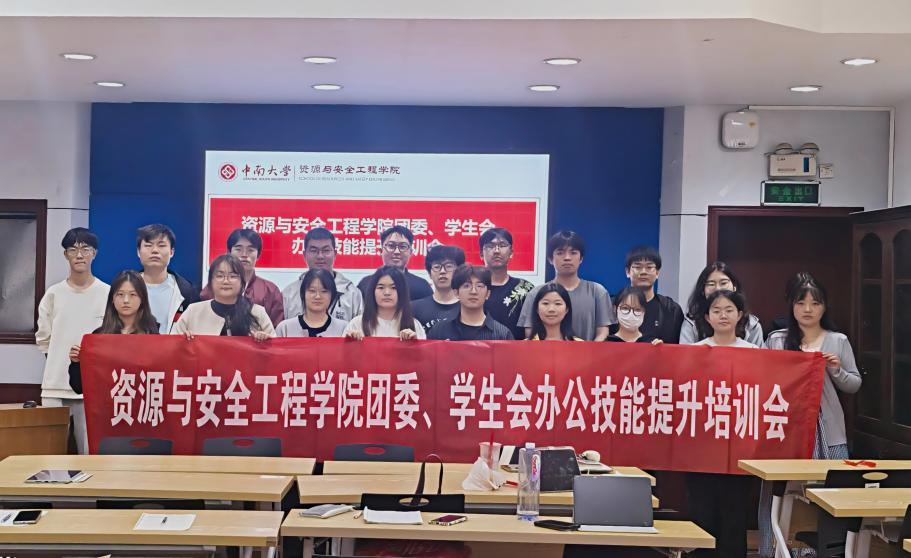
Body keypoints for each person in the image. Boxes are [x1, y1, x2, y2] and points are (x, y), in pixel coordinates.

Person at [757, 272, 861, 557]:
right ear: (791, 306)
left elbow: (854, 384)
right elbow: (760, 377)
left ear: (824, 307)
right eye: (801, 303)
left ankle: (830, 550)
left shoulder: (837, 340)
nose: (807, 309)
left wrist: (836, 370)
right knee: (775, 494)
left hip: (828, 431)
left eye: (815, 303)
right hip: (784, 429)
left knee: (833, 494)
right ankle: (771, 550)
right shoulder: (776, 340)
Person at [35, 228, 110, 454]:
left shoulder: (107, 293)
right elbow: (44, 339)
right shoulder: (53, 294)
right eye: (73, 249)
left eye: (85, 249)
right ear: (65, 254)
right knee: (51, 452)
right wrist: (59, 363)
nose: (79, 255)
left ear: (94, 253)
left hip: (92, 387)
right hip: (55, 386)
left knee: (90, 451)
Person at [68, 270, 159, 394]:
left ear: (142, 299)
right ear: (112, 299)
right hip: (108, 404)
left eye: (133, 294)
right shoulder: (98, 337)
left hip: (140, 403)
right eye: (120, 294)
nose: (126, 300)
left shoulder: (153, 335)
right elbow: (79, 388)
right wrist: (76, 363)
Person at [518, 230, 614, 341]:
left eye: (573, 253)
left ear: (581, 258)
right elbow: (530, 334)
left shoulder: (597, 292)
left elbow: (602, 333)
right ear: (550, 259)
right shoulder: (535, 293)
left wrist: (587, 352)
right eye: (560, 253)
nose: (567, 257)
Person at [173, 254, 274, 339]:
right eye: (220, 276)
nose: (226, 281)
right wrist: (183, 340)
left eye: (232, 276)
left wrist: (265, 341)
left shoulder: (258, 313)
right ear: (210, 281)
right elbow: (173, 345)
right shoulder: (193, 311)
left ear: (242, 282)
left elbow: (275, 350)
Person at [201, 228, 283, 326]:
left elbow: (277, 329)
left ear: (258, 254)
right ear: (229, 252)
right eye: (238, 249)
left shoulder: (270, 290)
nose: (244, 255)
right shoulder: (213, 287)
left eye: (250, 250)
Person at [282, 227, 363, 322]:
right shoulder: (289, 294)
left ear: (335, 254)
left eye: (326, 250)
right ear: (304, 254)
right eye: (313, 251)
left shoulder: (352, 294)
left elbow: (360, 328)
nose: (320, 256)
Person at [136, 224, 199, 333]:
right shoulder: (124, 288)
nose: (155, 250)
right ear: (138, 252)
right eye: (148, 245)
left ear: (172, 252)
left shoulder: (187, 292)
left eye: (161, 245)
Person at [681, 262, 763, 345]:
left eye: (723, 283)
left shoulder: (751, 325)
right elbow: (685, 352)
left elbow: (759, 353)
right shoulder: (692, 323)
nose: (718, 289)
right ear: (703, 290)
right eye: (711, 284)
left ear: (734, 287)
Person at [427, 265, 514, 341]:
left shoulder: (502, 335)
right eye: (467, 286)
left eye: (479, 286)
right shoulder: (439, 331)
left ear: (488, 294)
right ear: (456, 293)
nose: (473, 291)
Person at [479, 227, 535, 340]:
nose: (496, 251)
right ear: (481, 254)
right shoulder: (472, 288)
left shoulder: (525, 288)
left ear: (511, 252)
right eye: (490, 246)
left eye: (502, 245)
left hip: (516, 350)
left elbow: (532, 333)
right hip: (477, 349)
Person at [622, 245, 683, 343]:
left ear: (657, 273)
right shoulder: (614, 306)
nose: (643, 272)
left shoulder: (671, 309)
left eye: (649, 267)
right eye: (637, 267)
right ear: (627, 272)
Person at [346, 266, 426, 340]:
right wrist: (350, 342)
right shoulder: (356, 324)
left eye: (393, 287)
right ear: (373, 291)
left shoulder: (414, 325)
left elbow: (424, 351)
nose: (387, 293)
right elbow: (343, 350)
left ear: (402, 291)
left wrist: (415, 343)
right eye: (381, 287)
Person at [356, 225, 433, 302]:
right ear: (381, 250)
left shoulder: (422, 287)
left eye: (402, 246)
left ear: (410, 252)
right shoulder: (366, 284)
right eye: (391, 246)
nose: (397, 252)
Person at [275, 268, 348, 337]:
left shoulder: (344, 328)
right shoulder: (285, 328)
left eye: (324, 291)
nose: (318, 296)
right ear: (303, 293)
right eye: (312, 291)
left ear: (332, 295)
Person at [411, 244, 465, 332]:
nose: (442, 271)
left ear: (459, 271)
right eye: (437, 267)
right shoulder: (413, 309)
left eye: (449, 266)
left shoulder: (470, 307)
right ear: (429, 274)